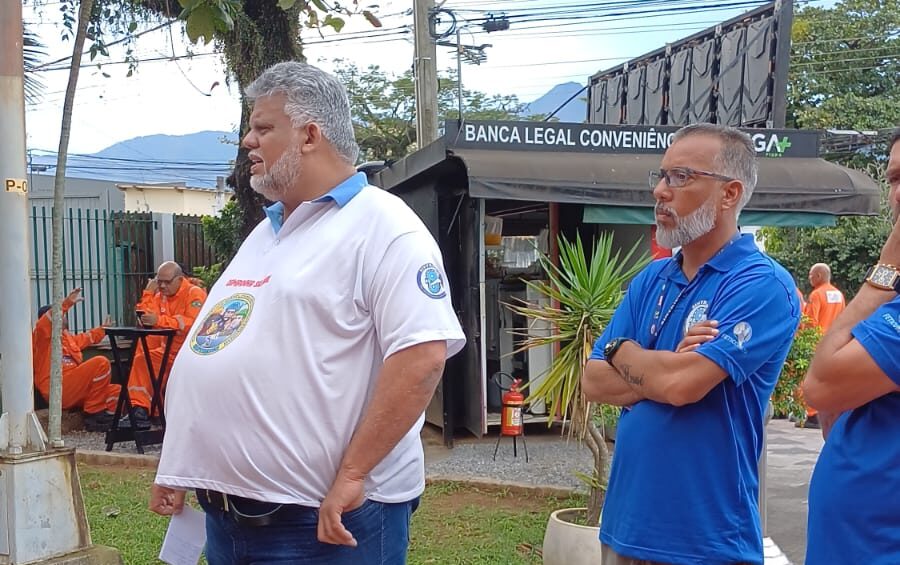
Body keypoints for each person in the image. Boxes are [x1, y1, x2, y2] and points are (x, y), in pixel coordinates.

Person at [148, 61, 465, 564]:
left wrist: (354, 474)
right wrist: (183, 464)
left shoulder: (383, 227)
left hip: (326, 520)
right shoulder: (267, 231)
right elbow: (217, 344)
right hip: (228, 518)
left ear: (310, 134)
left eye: (263, 128)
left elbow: (423, 356)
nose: (248, 142)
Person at [581, 123, 801, 565]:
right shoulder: (651, 278)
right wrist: (662, 367)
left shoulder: (760, 284)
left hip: (705, 542)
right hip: (624, 530)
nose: (662, 191)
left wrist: (622, 350)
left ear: (730, 194)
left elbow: (682, 386)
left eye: (681, 177)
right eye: (661, 176)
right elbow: (592, 380)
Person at [802, 128, 900, 565]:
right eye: (895, 178)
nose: (898, 194)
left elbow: (820, 385)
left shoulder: (874, 291)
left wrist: (886, 268)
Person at [121, 261, 206, 429]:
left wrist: (159, 321)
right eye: (159, 281)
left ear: (180, 279)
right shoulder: (161, 295)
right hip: (167, 352)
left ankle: (154, 412)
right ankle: (139, 411)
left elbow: (193, 323)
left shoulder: (194, 293)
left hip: (190, 354)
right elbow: (145, 317)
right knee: (142, 360)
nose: (162, 285)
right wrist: (148, 293)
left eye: (166, 282)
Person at [31, 288, 119, 432]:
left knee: (118, 392)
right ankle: (94, 413)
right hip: (58, 388)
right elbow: (43, 325)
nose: (63, 316)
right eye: (59, 313)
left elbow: (86, 338)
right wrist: (66, 303)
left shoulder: (67, 338)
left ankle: (105, 417)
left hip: (75, 386)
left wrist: (102, 329)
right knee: (101, 363)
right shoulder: (40, 339)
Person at [799, 262, 846, 428]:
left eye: (811, 275)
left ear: (818, 276)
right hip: (834, 343)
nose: (809, 278)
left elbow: (810, 322)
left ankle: (812, 414)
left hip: (816, 343)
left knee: (810, 379)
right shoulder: (839, 295)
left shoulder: (816, 295)